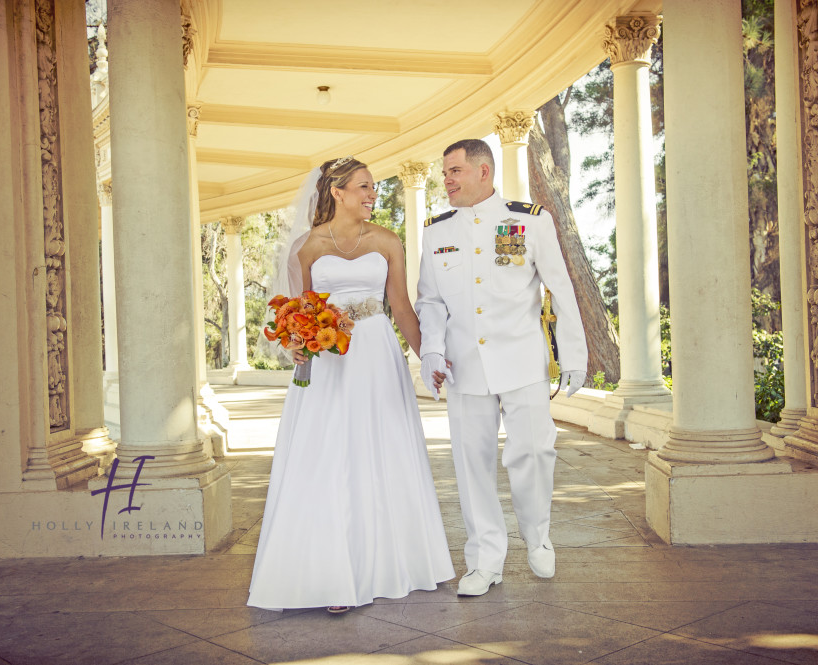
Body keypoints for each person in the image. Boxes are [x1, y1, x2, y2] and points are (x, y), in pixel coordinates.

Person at [248, 157, 454, 613]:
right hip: (328, 362)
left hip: (378, 354)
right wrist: (295, 347)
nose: (372, 195)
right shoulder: (305, 248)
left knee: (381, 448)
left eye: (373, 188)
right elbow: (294, 315)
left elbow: (401, 306)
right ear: (336, 192)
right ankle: (332, 573)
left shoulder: (386, 241)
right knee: (328, 454)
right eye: (363, 187)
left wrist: (430, 360)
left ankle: (392, 563)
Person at [415, 139, 587, 597]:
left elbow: (560, 289)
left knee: (533, 453)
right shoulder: (436, 231)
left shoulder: (529, 221)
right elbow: (429, 301)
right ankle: (484, 560)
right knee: (471, 465)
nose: (446, 181)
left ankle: (538, 537)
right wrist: (431, 350)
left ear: (483, 171)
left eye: (454, 171)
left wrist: (573, 355)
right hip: (464, 366)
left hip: (522, 361)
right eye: (445, 173)